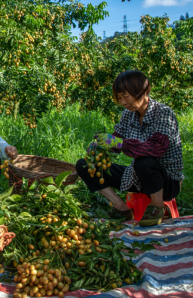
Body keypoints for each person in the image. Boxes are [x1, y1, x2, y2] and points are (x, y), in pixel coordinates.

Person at [75, 70, 184, 226]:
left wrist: (119, 143)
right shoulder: (128, 115)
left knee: (144, 161)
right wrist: (101, 146)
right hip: (137, 176)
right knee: (84, 165)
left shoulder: (163, 114)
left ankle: (157, 207)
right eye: (119, 98)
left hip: (166, 182)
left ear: (143, 91)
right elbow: (117, 141)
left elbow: (156, 148)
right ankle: (121, 208)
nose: (123, 102)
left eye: (126, 96)